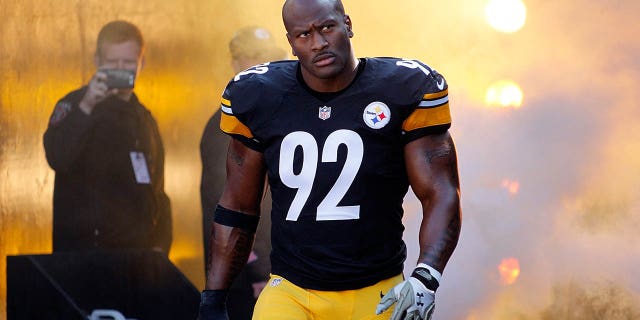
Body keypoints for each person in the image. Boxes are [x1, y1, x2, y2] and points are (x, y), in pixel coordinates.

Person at [198, 0, 461, 319]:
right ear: (291, 44)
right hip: (291, 291)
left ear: (347, 24)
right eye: (303, 35)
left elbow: (440, 192)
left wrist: (425, 278)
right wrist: (213, 298)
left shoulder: (403, 87)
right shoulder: (259, 96)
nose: (319, 43)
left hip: (376, 291)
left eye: (327, 28)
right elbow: (237, 207)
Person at [43, 20, 172, 254]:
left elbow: (158, 192)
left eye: (129, 62)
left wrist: (159, 252)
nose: (121, 69)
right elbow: (58, 157)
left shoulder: (144, 119)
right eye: (113, 63)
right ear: (97, 62)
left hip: (137, 260)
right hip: (84, 258)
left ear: (142, 63)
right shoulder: (74, 105)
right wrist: (87, 105)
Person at [199, 26, 287, 319]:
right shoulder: (227, 124)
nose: (261, 64)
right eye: (251, 57)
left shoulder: (273, 114)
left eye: (265, 56)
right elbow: (227, 205)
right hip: (248, 280)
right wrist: (257, 269)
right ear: (235, 64)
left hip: (277, 275)